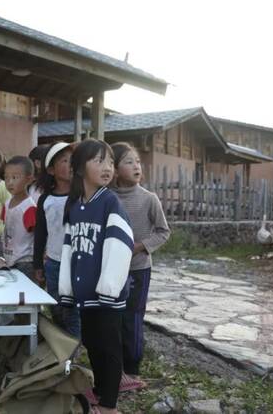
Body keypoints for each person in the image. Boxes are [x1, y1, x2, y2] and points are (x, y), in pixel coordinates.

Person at [59, 139, 133, 414]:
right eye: (99, 161)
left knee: (109, 347)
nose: (107, 168)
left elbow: (120, 245)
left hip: (106, 294)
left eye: (111, 162)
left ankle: (109, 404)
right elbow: (68, 249)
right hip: (85, 293)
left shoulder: (110, 202)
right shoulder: (76, 206)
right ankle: (100, 389)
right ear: (79, 168)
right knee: (92, 343)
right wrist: (67, 288)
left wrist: (109, 287)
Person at [111, 142, 170, 392]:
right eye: (129, 161)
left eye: (138, 161)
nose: (136, 166)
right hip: (111, 269)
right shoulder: (108, 198)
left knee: (132, 318)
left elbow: (163, 232)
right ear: (113, 169)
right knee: (112, 318)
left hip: (138, 268)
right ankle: (114, 367)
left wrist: (140, 246)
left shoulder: (149, 199)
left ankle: (132, 369)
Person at [32, 142, 81, 338]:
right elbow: (40, 233)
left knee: (73, 310)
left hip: (77, 263)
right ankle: (62, 342)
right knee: (55, 305)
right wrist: (38, 264)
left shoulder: (82, 196)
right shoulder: (45, 200)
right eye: (64, 160)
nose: (71, 164)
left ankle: (74, 347)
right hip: (53, 263)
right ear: (51, 169)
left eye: (73, 160)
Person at [0, 156, 37, 282]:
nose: (9, 182)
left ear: (29, 179)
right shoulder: (7, 203)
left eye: (15, 178)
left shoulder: (29, 207)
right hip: (9, 259)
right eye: (6, 177)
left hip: (24, 263)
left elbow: (37, 237)